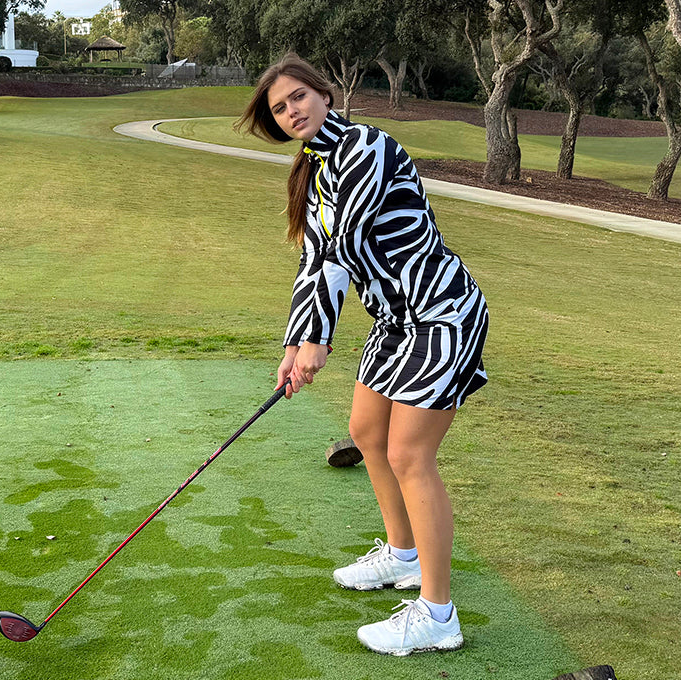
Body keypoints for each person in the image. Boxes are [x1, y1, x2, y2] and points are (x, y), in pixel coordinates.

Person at [236, 53, 490, 656]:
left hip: (441, 312)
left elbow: (343, 249)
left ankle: (438, 614)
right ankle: (402, 554)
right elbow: (312, 260)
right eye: (280, 107)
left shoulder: (367, 148)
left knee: (409, 454)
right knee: (367, 433)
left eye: (299, 96)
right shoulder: (314, 172)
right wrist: (294, 344)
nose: (292, 111)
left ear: (324, 94)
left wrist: (318, 342)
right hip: (395, 322)